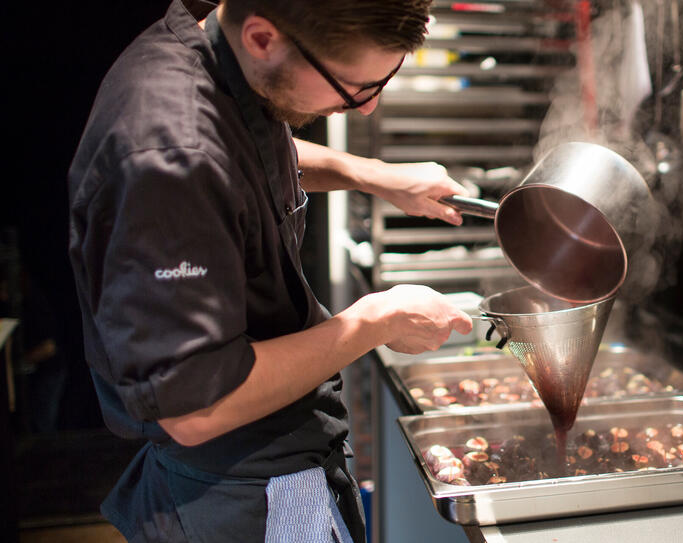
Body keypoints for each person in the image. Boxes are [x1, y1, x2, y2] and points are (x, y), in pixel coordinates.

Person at [66, 0, 473, 541]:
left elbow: (242, 151)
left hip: (274, 457)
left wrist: (371, 174)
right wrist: (374, 322)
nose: (368, 108)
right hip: (238, 490)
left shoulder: (221, 57)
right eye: (355, 87)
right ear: (263, 39)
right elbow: (196, 409)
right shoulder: (166, 155)